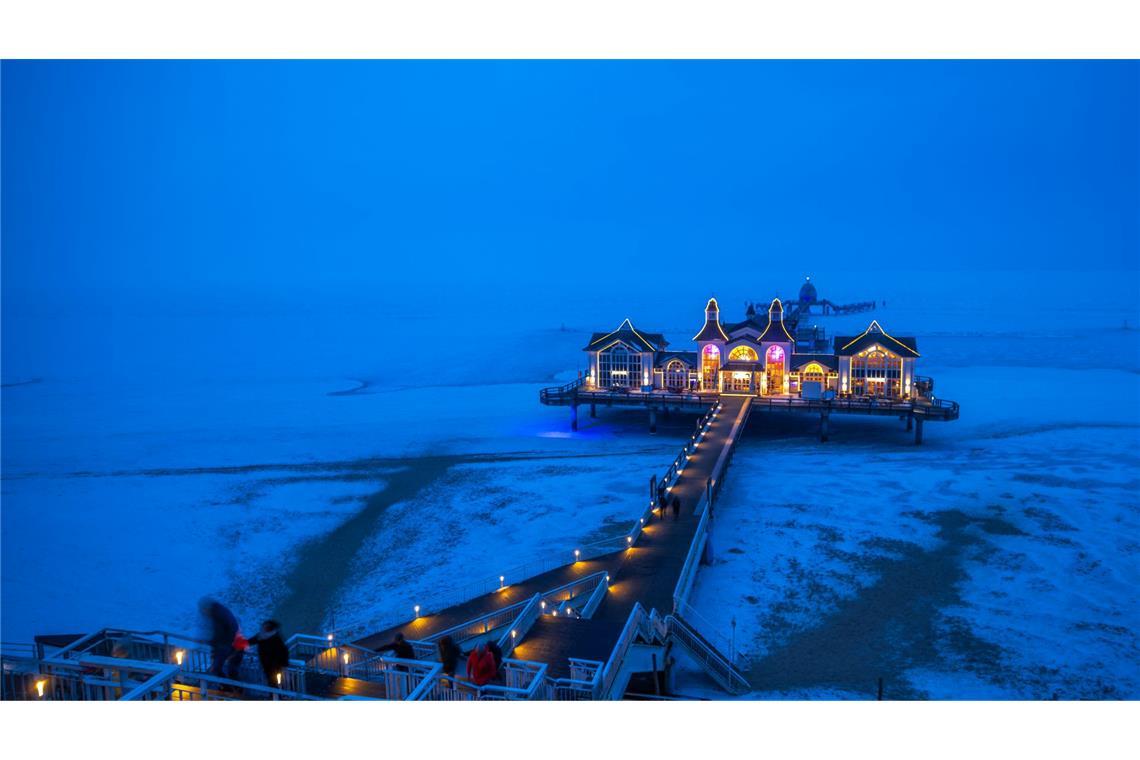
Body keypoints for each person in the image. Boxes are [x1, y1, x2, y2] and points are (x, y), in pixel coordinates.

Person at [199, 597, 239, 677]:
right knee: (227, 670)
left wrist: (214, 644)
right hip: (229, 646)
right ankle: (231, 687)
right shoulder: (219, 613)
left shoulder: (218, 615)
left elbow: (220, 633)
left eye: (203, 610)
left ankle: (229, 687)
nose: (203, 613)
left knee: (217, 669)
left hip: (227, 646)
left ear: (207, 608)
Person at [245, 620, 290, 687]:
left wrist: (284, 665)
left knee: (276, 683)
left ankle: (277, 695)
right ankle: (275, 695)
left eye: (265, 628)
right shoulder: (261, 636)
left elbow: (284, 653)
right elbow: (249, 642)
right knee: (272, 682)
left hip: (276, 667)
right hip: (267, 665)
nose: (263, 629)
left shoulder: (277, 639)